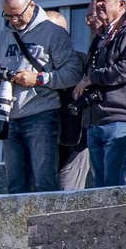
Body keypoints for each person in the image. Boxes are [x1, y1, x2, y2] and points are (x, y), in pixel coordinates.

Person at [0, 0, 84, 193]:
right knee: (15, 186)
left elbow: (73, 73)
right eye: (7, 15)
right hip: (9, 117)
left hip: (42, 115)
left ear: (31, 5)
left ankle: (47, 226)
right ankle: (20, 226)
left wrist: (38, 79)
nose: (12, 21)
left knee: (44, 183)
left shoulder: (53, 33)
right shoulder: (4, 35)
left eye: (16, 15)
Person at [74, 0, 126, 188]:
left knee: (118, 188)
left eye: (104, 0)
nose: (98, 5)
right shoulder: (100, 38)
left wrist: (92, 78)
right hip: (96, 121)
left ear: (121, 5)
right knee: (101, 190)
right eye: (96, 0)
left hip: (120, 120)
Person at [47, 10, 93, 191]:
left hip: (76, 141)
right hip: (43, 141)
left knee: (69, 198)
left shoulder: (82, 62)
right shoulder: (33, 68)